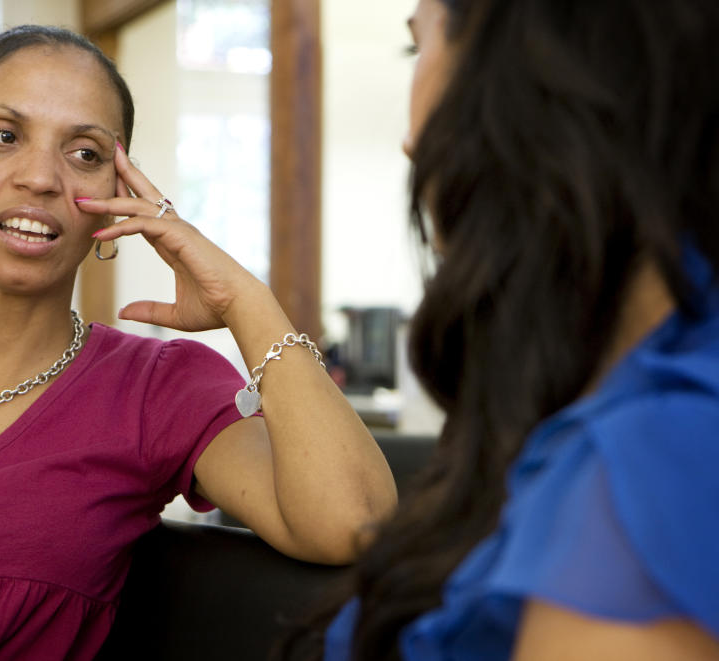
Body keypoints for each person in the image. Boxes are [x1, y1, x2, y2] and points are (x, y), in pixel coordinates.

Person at [0, 25, 398, 660]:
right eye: (4, 136)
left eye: (86, 154)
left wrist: (245, 301)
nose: (40, 177)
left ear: (117, 201)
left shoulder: (158, 389)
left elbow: (356, 523)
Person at [279, 0, 719, 659]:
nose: (409, 138)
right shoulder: (563, 390)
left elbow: (345, 512)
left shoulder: (655, 454)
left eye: (417, 48)